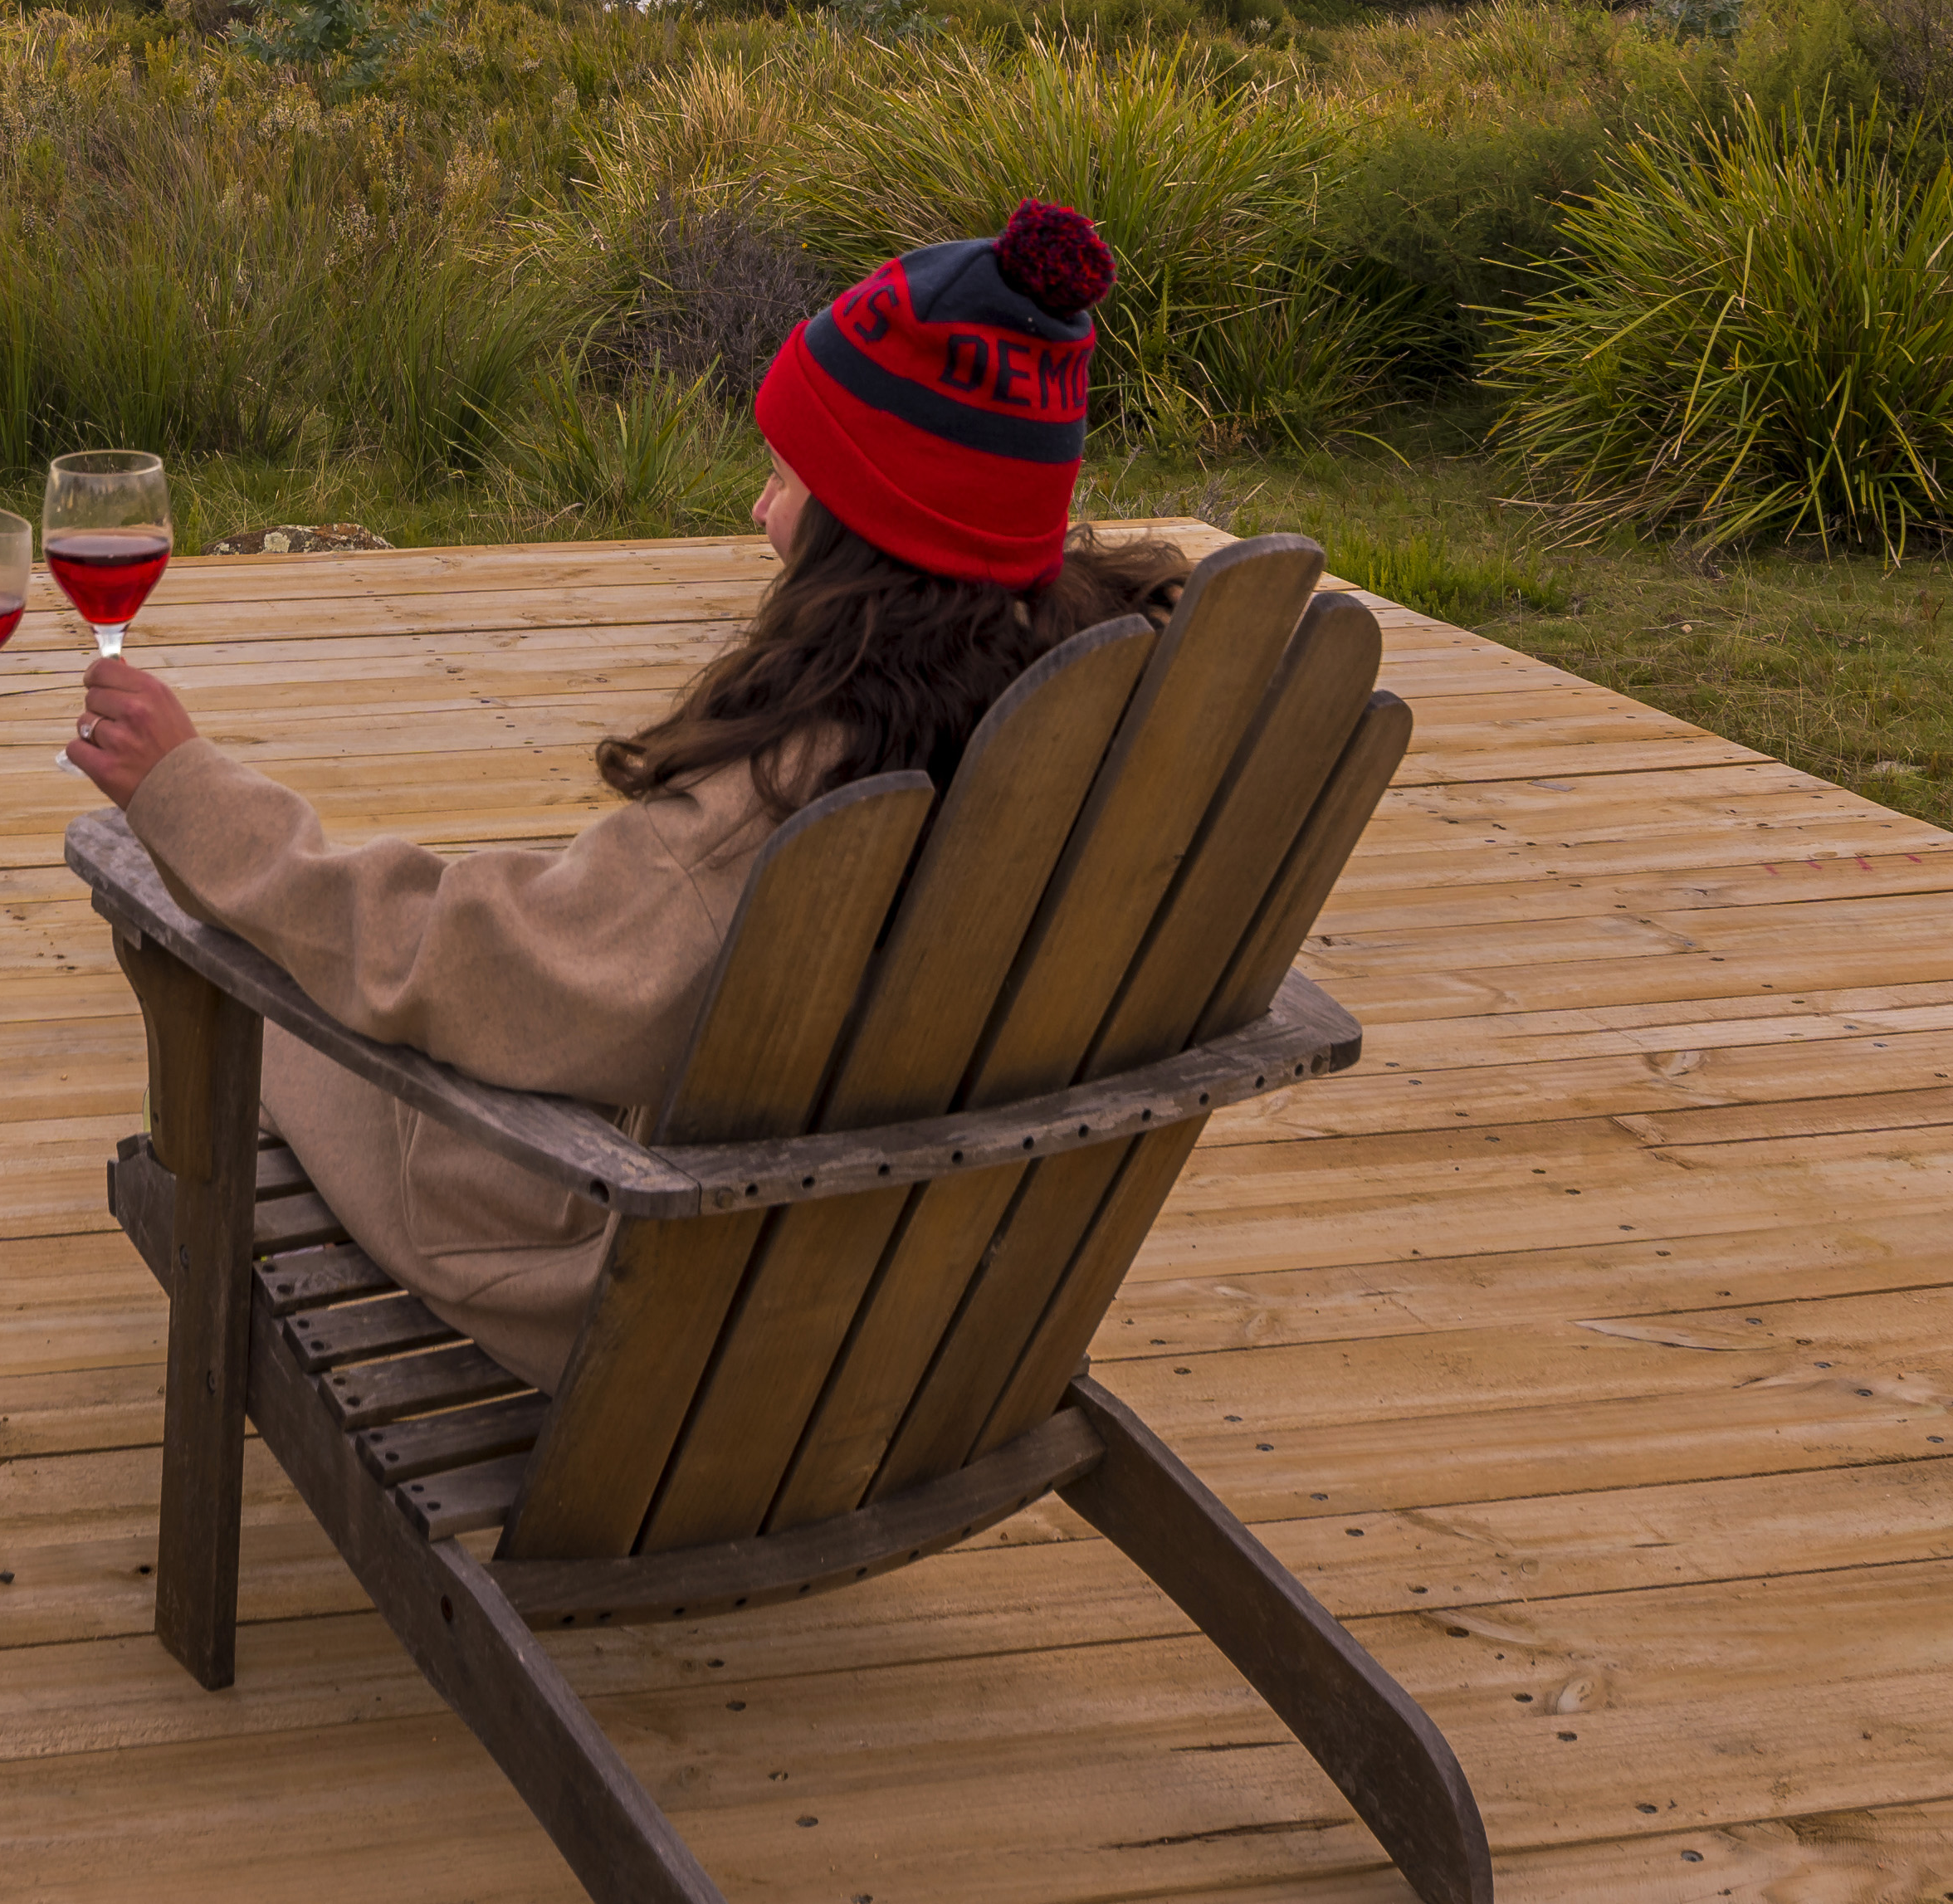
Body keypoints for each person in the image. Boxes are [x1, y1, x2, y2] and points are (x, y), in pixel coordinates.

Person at [58, 201, 1178, 1384]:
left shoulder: (782, 806)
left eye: (790, 479)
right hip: (950, 1269)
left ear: (876, 520)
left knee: (281, 985)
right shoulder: (1098, 701)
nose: (759, 508)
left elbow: (464, 963)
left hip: (678, 1299)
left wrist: (193, 798)